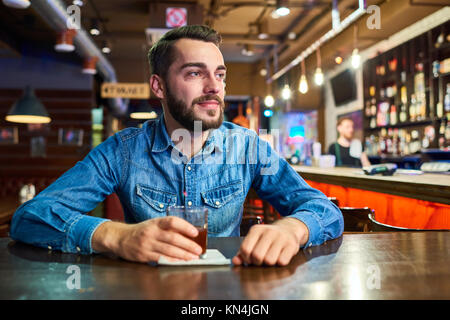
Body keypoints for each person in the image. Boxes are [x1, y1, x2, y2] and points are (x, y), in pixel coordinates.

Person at [10, 25, 343, 266]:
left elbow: (325, 211)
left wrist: (293, 228)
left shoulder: (248, 147)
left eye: (221, 74)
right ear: (159, 86)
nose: (215, 87)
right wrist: (117, 236)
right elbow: (30, 218)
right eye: (195, 73)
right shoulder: (123, 151)